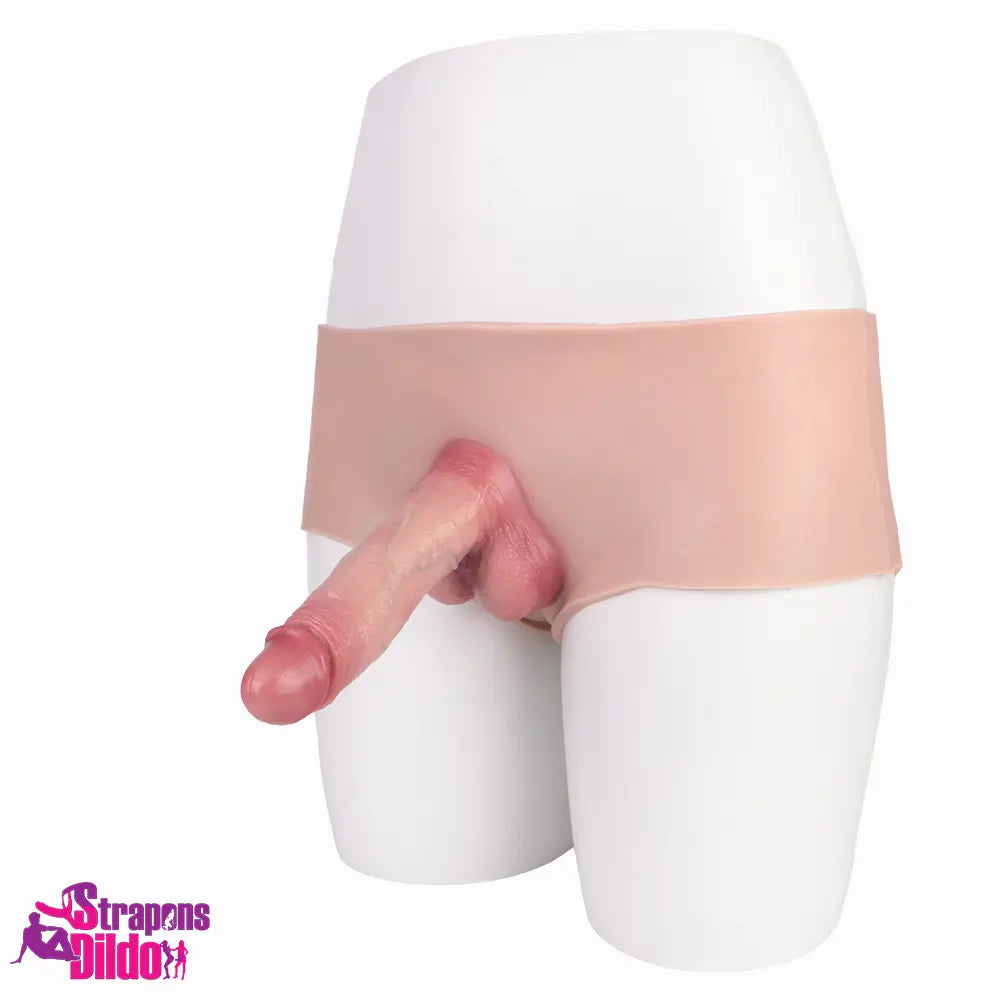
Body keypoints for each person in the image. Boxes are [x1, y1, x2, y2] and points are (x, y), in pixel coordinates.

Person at [10, 912, 79, 963]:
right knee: (65, 954)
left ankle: (69, 955)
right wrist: (20, 957)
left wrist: (58, 928)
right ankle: (69, 956)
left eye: (38, 919)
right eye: (37, 919)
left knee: (61, 931)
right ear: (33, 920)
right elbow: (24, 945)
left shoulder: (38, 926)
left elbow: (48, 928)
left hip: (46, 948)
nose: (39, 921)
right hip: (43, 952)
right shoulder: (27, 930)